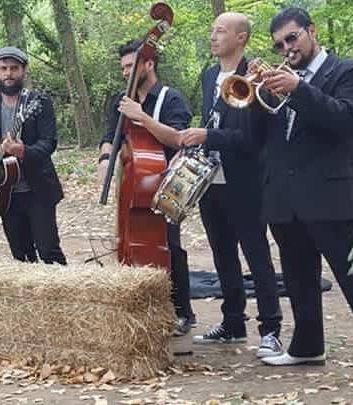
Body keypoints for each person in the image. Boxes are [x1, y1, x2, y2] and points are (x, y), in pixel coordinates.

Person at [252, 8, 353, 366]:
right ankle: (307, 347)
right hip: (285, 198)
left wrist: (300, 89)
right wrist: (255, 94)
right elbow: (260, 138)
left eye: (292, 38)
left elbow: (342, 119)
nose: (286, 49)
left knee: (349, 276)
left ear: (311, 31)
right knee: (298, 279)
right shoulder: (282, 78)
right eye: (279, 44)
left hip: (332, 198)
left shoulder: (344, 70)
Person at [180, 12, 283, 358]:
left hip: (245, 181)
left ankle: (271, 329)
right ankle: (233, 323)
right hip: (213, 181)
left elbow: (253, 139)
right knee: (223, 254)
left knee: (257, 255)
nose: (212, 37)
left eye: (220, 31)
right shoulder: (210, 75)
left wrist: (209, 134)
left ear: (241, 38)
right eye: (211, 30)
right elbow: (217, 120)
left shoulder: (255, 76)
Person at [98, 39, 196, 336]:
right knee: (130, 241)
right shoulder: (121, 98)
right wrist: (105, 159)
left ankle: (182, 312)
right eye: (123, 68)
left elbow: (178, 138)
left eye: (131, 66)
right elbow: (109, 136)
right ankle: (140, 309)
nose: (126, 72)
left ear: (148, 64)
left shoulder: (171, 98)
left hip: (168, 181)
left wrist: (141, 116)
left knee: (170, 246)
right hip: (133, 183)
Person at [0, 46, 67, 265]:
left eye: (14, 68)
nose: (8, 74)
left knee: (49, 252)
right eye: (3, 69)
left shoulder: (38, 102)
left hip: (38, 189)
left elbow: (49, 143)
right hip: (4, 193)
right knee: (21, 256)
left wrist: (24, 151)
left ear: (24, 71)